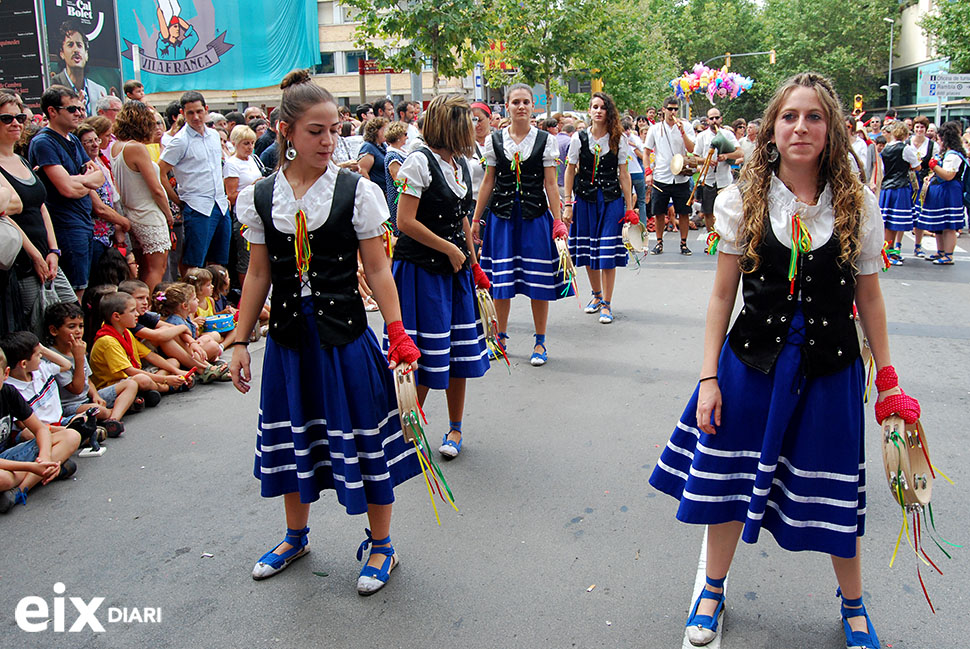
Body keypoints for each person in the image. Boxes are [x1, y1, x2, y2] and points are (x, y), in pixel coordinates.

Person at [648, 72, 915, 649]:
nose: (801, 127)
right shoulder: (740, 199)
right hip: (751, 363)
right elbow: (722, 295)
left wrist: (889, 383)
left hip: (831, 369)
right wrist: (708, 377)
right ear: (772, 128)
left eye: (813, 117)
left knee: (837, 491)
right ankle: (712, 591)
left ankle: (853, 603)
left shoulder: (858, 204)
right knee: (727, 481)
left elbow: (868, 296)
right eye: (790, 116)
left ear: (831, 129)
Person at [231, 69, 422, 595]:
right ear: (285, 131)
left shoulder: (357, 191)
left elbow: (379, 269)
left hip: (346, 341)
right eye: (316, 130)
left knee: (365, 443)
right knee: (298, 443)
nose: (328, 140)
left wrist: (399, 332)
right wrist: (238, 340)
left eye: (334, 129)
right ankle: (296, 535)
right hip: (292, 344)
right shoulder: (262, 195)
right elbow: (258, 273)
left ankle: (382, 544)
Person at [390, 94, 490, 458]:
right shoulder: (418, 162)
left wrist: (474, 263)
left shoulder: (460, 164)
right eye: (468, 121)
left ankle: (455, 430)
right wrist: (448, 249)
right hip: (421, 272)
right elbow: (404, 222)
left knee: (458, 355)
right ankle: (410, 426)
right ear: (451, 125)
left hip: (455, 271)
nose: (475, 127)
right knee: (426, 354)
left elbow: (462, 217)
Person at [472, 83, 572, 366]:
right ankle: (499, 337)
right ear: (507, 105)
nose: (521, 106)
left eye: (526, 102)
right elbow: (488, 181)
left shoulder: (545, 140)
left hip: (534, 217)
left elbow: (551, 184)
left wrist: (559, 219)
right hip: (502, 217)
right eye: (516, 102)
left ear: (532, 105)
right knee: (501, 281)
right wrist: (477, 218)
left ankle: (540, 342)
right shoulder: (494, 140)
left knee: (537, 281)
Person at [0, 93, 78, 330]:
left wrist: (53, 250)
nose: (16, 123)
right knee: (40, 324)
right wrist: (35, 255)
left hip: (46, 252)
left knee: (72, 312)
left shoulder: (21, 160)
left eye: (20, 117)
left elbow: (41, 205)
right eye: (6, 118)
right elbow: (6, 216)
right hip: (21, 259)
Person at [563, 93, 636, 325]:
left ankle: (607, 303)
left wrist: (630, 208)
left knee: (606, 253)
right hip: (585, 200)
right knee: (587, 251)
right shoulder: (579, 138)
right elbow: (569, 170)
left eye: (602, 107)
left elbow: (624, 174)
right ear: (589, 109)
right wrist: (567, 202)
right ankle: (596, 296)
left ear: (608, 112)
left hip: (611, 200)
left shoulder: (618, 139)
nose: (598, 111)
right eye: (594, 107)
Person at [28, 85, 107, 296]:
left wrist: (78, 180)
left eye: (81, 109)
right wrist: (85, 181)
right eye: (72, 109)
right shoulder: (44, 142)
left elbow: (99, 177)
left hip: (83, 222)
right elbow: (67, 189)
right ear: (52, 111)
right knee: (74, 292)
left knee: (83, 286)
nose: (80, 114)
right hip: (65, 225)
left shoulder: (72, 139)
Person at [0, 346, 80, 514]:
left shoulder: (8, 392)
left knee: (71, 435)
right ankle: (49, 470)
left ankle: (20, 489)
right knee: (3, 478)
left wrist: (44, 458)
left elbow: (40, 429)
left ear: (5, 374)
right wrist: (31, 467)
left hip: (7, 457)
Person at [158, 91, 231, 275]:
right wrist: (176, 200)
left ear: (206, 110)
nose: (196, 117)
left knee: (219, 262)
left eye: (199, 111)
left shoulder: (214, 135)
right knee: (194, 262)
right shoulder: (180, 141)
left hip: (220, 204)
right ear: (183, 113)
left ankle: (214, 300)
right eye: (190, 113)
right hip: (197, 206)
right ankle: (193, 300)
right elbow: (159, 171)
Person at [44, 302, 137, 435]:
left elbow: (88, 380)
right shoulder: (54, 357)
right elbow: (77, 389)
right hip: (70, 406)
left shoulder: (77, 348)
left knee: (131, 384)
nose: (78, 331)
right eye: (71, 327)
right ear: (54, 330)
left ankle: (113, 420)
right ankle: (117, 412)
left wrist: (95, 394)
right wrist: (79, 358)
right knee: (98, 410)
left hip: (87, 399)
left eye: (80, 326)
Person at [111, 102, 174, 291]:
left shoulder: (117, 146)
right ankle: (147, 308)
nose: (155, 127)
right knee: (157, 268)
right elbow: (156, 189)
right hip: (149, 213)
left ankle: (140, 308)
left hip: (132, 212)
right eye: (152, 122)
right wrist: (168, 215)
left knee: (142, 268)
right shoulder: (136, 148)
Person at [89, 291, 192, 396]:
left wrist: (177, 371)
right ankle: (167, 388)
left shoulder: (126, 332)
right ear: (116, 316)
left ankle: (151, 390)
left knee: (173, 362)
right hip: (116, 384)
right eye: (132, 311)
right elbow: (130, 371)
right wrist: (165, 380)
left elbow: (150, 355)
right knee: (142, 380)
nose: (137, 314)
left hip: (133, 376)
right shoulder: (108, 341)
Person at [644, 95, 695, 255]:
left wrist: (682, 132)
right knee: (659, 211)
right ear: (664, 110)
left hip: (681, 176)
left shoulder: (685, 127)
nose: (673, 112)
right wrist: (648, 172)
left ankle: (684, 243)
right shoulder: (655, 129)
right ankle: (659, 242)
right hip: (661, 176)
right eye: (670, 109)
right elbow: (646, 152)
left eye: (675, 109)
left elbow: (692, 149)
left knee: (684, 211)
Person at [75, 123, 128, 268]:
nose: (94, 145)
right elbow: (99, 208)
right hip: (96, 236)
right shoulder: (82, 168)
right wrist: (124, 223)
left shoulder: (100, 163)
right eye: (88, 141)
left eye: (96, 140)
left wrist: (117, 226)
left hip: (109, 234)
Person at [915, 120, 967, 266]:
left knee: (949, 225)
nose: (938, 141)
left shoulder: (953, 155)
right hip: (942, 191)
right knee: (939, 225)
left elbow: (949, 175)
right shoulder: (946, 153)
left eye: (939, 138)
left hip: (949, 192)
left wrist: (935, 167)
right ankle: (941, 251)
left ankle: (948, 255)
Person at [224, 126, 263, 286]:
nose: (250, 147)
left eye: (252, 143)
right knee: (245, 257)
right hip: (243, 216)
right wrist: (254, 187)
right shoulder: (231, 164)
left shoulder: (253, 160)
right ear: (236, 143)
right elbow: (231, 196)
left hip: (258, 211)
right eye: (246, 143)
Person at [694, 107, 743, 232]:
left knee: (725, 211)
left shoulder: (727, 134)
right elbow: (695, 158)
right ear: (707, 120)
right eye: (711, 118)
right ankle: (711, 240)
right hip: (708, 180)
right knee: (708, 212)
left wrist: (726, 156)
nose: (714, 120)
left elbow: (740, 153)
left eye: (716, 118)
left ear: (721, 119)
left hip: (724, 180)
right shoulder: (702, 137)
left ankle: (724, 237)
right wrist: (707, 161)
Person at [878, 121, 920, 265]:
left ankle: (891, 253)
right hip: (900, 187)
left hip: (886, 187)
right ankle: (888, 254)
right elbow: (917, 166)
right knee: (893, 224)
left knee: (889, 222)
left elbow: (883, 170)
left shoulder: (884, 150)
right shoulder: (905, 149)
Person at [51, 21, 108, 117]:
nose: (76, 50)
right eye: (70, 45)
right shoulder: (53, 86)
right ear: (62, 53)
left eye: (79, 45)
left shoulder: (99, 91)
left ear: (86, 54)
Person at [909, 115, 938, 258]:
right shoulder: (908, 142)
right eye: (917, 127)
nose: (919, 130)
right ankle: (896, 246)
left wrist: (931, 176)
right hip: (908, 182)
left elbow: (935, 164)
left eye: (922, 127)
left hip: (923, 183)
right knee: (905, 213)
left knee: (919, 214)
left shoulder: (932, 145)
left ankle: (918, 246)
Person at [382, 121, 409, 230]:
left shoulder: (401, 152)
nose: (407, 137)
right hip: (398, 198)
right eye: (405, 135)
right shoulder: (392, 156)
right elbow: (399, 180)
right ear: (398, 136)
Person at [357, 117, 388, 193]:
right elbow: (362, 171)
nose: (387, 132)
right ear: (375, 131)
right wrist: (372, 190)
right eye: (384, 130)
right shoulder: (368, 147)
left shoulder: (384, 146)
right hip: (377, 191)